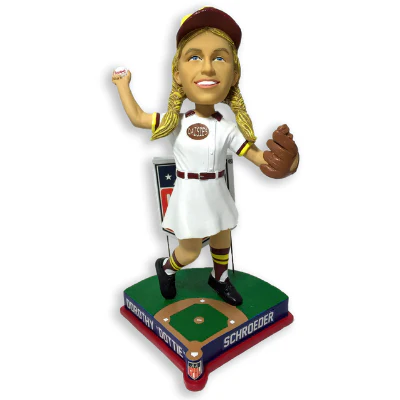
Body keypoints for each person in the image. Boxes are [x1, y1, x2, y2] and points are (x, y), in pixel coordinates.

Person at [112, 7, 299, 306]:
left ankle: (219, 278)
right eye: (195, 57)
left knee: (222, 234)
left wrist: (285, 163)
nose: (208, 69)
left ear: (234, 75)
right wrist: (123, 85)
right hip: (189, 192)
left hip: (216, 189)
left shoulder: (227, 127)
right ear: (177, 73)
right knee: (189, 251)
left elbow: (257, 156)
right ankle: (166, 267)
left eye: (220, 58)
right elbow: (137, 117)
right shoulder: (176, 122)